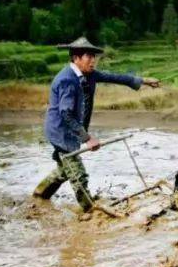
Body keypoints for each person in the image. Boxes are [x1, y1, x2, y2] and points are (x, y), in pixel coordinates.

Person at [32, 37, 160, 211]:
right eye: (88, 57)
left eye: (94, 57)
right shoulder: (67, 80)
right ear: (76, 58)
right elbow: (66, 114)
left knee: (64, 170)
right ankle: (90, 211)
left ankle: (39, 195)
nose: (93, 60)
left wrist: (143, 81)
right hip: (61, 131)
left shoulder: (89, 75)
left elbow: (115, 77)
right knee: (78, 175)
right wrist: (87, 138)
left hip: (72, 130)